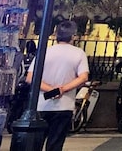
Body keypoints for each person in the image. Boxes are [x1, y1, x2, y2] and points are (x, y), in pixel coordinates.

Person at [26, 20, 89, 151]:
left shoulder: (45, 52)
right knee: (55, 145)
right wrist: (61, 90)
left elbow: (30, 77)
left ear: (56, 35)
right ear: (73, 36)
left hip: (41, 104)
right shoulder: (78, 53)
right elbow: (83, 77)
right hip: (64, 105)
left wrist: (51, 90)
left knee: (35, 144)